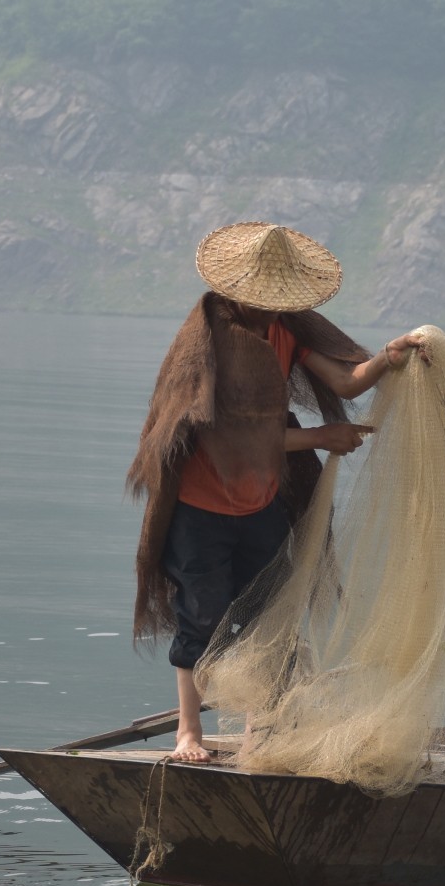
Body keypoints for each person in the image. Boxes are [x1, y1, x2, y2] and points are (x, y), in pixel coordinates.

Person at [129, 221, 427, 762]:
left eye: (275, 300)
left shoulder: (289, 332)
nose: (268, 309)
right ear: (234, 291)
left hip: (261, 502)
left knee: (269, 617)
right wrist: (321, 437)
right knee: (204, 614)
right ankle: (189, 732)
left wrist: (391, 354)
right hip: (201, 508)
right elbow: (222, 432)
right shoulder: (206, 341)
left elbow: (346, 382)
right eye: (259, 299)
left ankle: (257, 732)